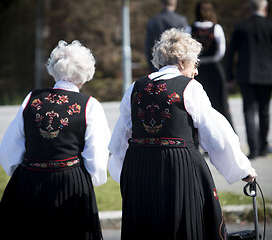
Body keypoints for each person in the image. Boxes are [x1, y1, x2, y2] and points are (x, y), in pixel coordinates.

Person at [109, 28, 257, 240]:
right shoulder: (190, 88)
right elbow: (216, 135)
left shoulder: (135, 87)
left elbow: (121, 137)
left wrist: (124, 172)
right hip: (177, 167)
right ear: (182, 63)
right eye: (195, 64)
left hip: (139, 167)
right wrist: (243, 169)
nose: (196, 71)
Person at [0, 40, 110, 240]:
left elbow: (9, 148)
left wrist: (22, 174)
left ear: (53, 70)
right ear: (85, 74)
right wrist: (92, 180)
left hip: (28, 181)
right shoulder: (89, 105)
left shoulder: (32, 98)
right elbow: (97, 156)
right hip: (70, 182)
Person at [226, 0, 272, 159]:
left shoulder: (241, 26)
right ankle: (262, 146)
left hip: (246, 75)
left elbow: (231, 52)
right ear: (265, 9)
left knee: (249, 111)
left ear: (250, 8)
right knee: (264, 111)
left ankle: (253, 149)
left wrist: (230, 75)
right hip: (267, 76)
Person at [190, 0, 233, 125]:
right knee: (220, 104)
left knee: (197, 104)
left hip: (197, 69)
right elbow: (221, 52)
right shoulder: (216, 28)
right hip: (214, 69)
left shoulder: (190, 28)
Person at [145, 0, 188, 72]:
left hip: (158, 64)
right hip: (177, 65)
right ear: (175, 3)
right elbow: (186, 45)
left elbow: (148, 47)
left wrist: (151, 66)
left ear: (162, 3)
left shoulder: (152, 22)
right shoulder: (181, 21)